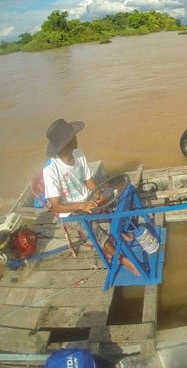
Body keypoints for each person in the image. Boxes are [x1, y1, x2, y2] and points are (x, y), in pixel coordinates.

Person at [42, 118, 139, 276]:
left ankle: (119, 231)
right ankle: (121, 259)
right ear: (64, 143)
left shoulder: (78, 154)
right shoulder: (51, 170)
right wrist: (81, 206)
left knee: (117, 194)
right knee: (93, 228)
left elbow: (89, 180)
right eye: (72, 137)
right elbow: (56, 206)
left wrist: (99, 194)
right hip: (70, 211)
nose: (76, 138)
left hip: (88, 198)